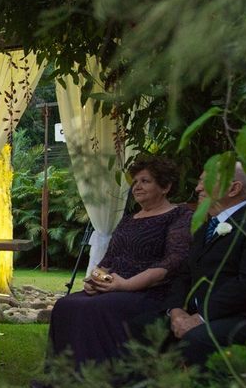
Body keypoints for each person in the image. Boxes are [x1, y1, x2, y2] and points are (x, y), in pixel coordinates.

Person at [48, 156, 192, 367]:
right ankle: (63, 378)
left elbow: (171, 264)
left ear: (166, 186)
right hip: (113, 286)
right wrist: (93, 280)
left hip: (149, 292)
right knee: (65, 305)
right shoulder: (129, 220)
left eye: (145, 181)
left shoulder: (179, 216)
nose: (137, 187)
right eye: (135, 182)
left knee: (97, 307)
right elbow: (109, 259)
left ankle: (100, 379)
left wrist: (125, 285)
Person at [165, 162, 246, 365]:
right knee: (142, 324)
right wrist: (175, 310)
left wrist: (200, 318)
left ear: (234, 188)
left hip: (245, 317)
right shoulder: (206, 227)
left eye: (205, 181)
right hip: (200, 314)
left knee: (197, 339)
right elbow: (185, 274)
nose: (198, 188)